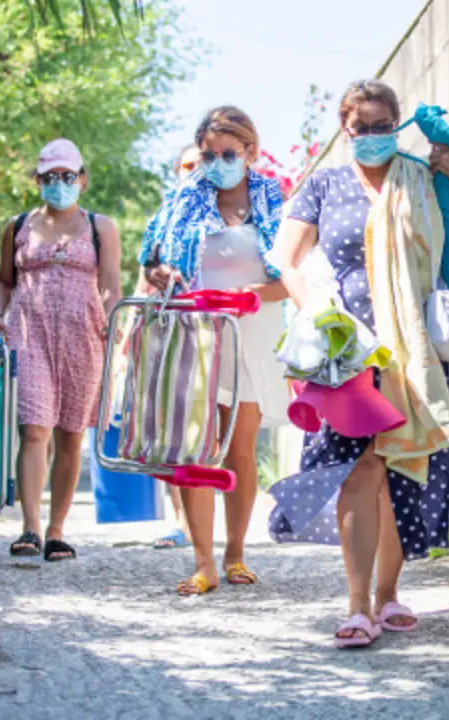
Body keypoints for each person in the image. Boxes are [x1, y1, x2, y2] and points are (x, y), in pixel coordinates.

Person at [269, 79, 449, 647]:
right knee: (361, 469)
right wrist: (319, 314)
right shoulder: (325, 186)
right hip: (349, 351)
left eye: (381, 126)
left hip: (415, 350)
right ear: (345, 130)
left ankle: (389, 594)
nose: (370, 135)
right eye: (359, 127)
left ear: (397, 126)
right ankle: (358, 605)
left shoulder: (423, 179)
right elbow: (285, 260)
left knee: (404, 467)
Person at [139, 107, 290, 594]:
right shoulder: (184, 198)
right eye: (209, 155)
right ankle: (203, 562)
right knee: (198, 444)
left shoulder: (272, 197)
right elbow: (152, 257)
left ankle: (236, 554)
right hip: (197, 329)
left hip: (254, 329)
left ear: (250, 151)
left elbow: (291, 274)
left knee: (240, 449)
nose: (218, 163)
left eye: (229, 154)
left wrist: (253, 295)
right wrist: (160, 272)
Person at [0, 138, 123, 562]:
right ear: (38, 180)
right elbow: (3, 282)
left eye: (67, 176)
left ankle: (57, 530)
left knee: (71, 434)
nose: (59, 183)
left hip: (85, 337)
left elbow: (111, 284)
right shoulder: (19, 226)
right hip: (30, 334)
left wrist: (114, 321)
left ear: (81, 179)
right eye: (50, 177)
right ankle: (30, 527)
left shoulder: (101, 227)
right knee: (34, 429)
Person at [147, 142, 204, 551]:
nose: (196, 171)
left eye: (202, 163)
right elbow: (146, 271)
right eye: (187, 165)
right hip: (170, 326)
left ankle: (212, 527)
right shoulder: (165, 216)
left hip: (217, 328)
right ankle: (181, 521)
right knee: (173, 425)